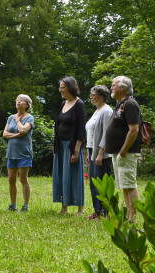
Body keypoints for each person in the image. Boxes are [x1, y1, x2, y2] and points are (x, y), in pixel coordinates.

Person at [105, 76, 141, 223]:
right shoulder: (120, 104)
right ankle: (128, 216)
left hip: (126, 152)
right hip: (119, 152)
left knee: (130, 184)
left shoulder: (130, 104)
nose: (111, 88)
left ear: (123, 88)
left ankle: (133, 218)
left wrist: (123, 151)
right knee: (124, 185)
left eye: (114, 85)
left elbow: (134, 130)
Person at [52, 76, 86, 215]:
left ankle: (80, 209)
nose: (60, 90)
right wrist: (55, 143)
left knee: (75, 176)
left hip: (72, 147)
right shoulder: (63, 103)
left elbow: (80, 130)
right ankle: (64, 207)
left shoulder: (79, 105)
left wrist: (76, 151)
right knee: (61, 175)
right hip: (60, 146)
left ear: (71, 88)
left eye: (63, 87)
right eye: (60, 87)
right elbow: (58, 124)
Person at [85, 86, 113, 220]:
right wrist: (88, 153)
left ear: (102, 96)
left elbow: (107, 134)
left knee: (103, 182)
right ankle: (97, 210)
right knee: (94, 182)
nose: (91, 97)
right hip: (92, 150)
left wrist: (101, 153)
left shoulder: (107, 111)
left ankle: (106, 212)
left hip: (102, 152)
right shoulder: (96, 111)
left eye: (93, 95)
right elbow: (91, 134)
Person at [3, 94, 35, 212]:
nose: (18, 101)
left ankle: (25, 205)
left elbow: (23, 130)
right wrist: (16, 135)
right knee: (11, 179)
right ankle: (13, 205)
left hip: (24, 152)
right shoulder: (11, 117)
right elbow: (4, 134)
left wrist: (17, 121)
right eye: (17, 100)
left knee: (23, 179)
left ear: (27, 105)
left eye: (21, 100)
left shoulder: (29, 118)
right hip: (12, 152)